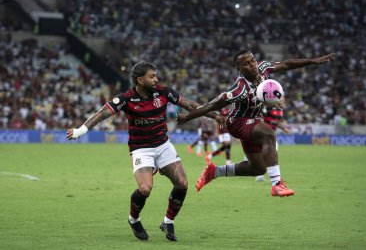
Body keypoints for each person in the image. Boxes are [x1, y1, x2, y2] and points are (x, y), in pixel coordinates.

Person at [67, 62, 222, 241]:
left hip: (163, 145)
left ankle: (168, 221)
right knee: (145, 189)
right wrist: (81, 130)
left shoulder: (164, 92)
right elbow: (102, 113)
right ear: (140, 80)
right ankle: (134, 219)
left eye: (155, 75)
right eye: (152, 76)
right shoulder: (126, 98)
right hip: (141, 149)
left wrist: (215, 115)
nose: (156, 79)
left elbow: (190, 105)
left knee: (182, 184)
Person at [177, 49, 335, 197]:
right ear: (239, 69)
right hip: (237, 123)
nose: (252, 65)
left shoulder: (264, 69)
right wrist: (187, 117)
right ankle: (277, 184)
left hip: (253, 122)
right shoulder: (238, 89)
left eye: (252, 60)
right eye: (245, 64)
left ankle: (215, 171)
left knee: (258, 169)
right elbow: (210, 106)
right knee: (268, 134)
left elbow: (286, 64)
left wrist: (313, 61)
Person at [255, 97, 291, 182]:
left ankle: (262, 174)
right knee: (270, 154)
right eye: (282, 98)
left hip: (271, 135)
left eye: (283, 98)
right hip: (264, 134)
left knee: (270, 154)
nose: (283, 100)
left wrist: (284, 129)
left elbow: (277, 123)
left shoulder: (281, 109)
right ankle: (271, 176)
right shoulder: (269, 107)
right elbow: (260, 118)